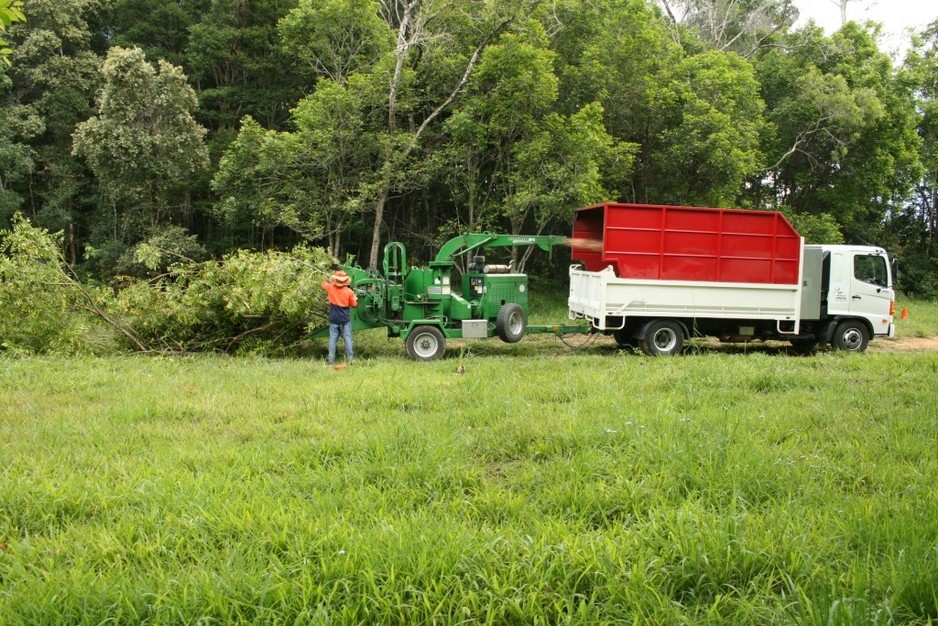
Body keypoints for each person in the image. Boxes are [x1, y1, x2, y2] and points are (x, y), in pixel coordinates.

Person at [321, 269, 358, 365]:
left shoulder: (330, 288)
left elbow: (323, 284)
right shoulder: (349, 291)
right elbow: (354, 305)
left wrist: (330, 280)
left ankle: (331, 360)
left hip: (333, 319)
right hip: (345, 320)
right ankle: (350, 360)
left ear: (335, 280)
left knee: (333, 339)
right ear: (345, 281)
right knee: (347, 338)